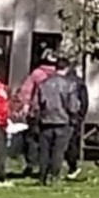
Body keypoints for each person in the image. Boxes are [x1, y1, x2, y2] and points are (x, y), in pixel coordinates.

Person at [34, 56, 80, 186]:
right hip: (62, 121)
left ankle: (42, 176)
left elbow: (37, 104)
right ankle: (54, 176)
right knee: (58, 151)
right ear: (67, 68)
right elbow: (72, 106)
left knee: (44, 151)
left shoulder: (43, 84)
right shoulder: (70, 85)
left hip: (46, 120)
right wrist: (74, 116)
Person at [13, 50, 57, 177]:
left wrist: (23, 106)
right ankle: (49, 166)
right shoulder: (59, 75)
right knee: (50, 141)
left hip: (37, 111)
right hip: (56, 112)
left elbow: (26, 91)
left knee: (31, 139)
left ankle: (31, 164)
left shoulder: (37, 74)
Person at [63, 62, 89, 180]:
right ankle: (72, 166)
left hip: (61, 115)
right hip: (74, 117)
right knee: (72, 142)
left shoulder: (61, 81)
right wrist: (81, 116)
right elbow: (84, 101)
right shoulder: (79, 83)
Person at [0, 62, 10, 187]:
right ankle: (1, 178)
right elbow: (2, 108)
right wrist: (5, 122)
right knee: (0, 151)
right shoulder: (0, 90)